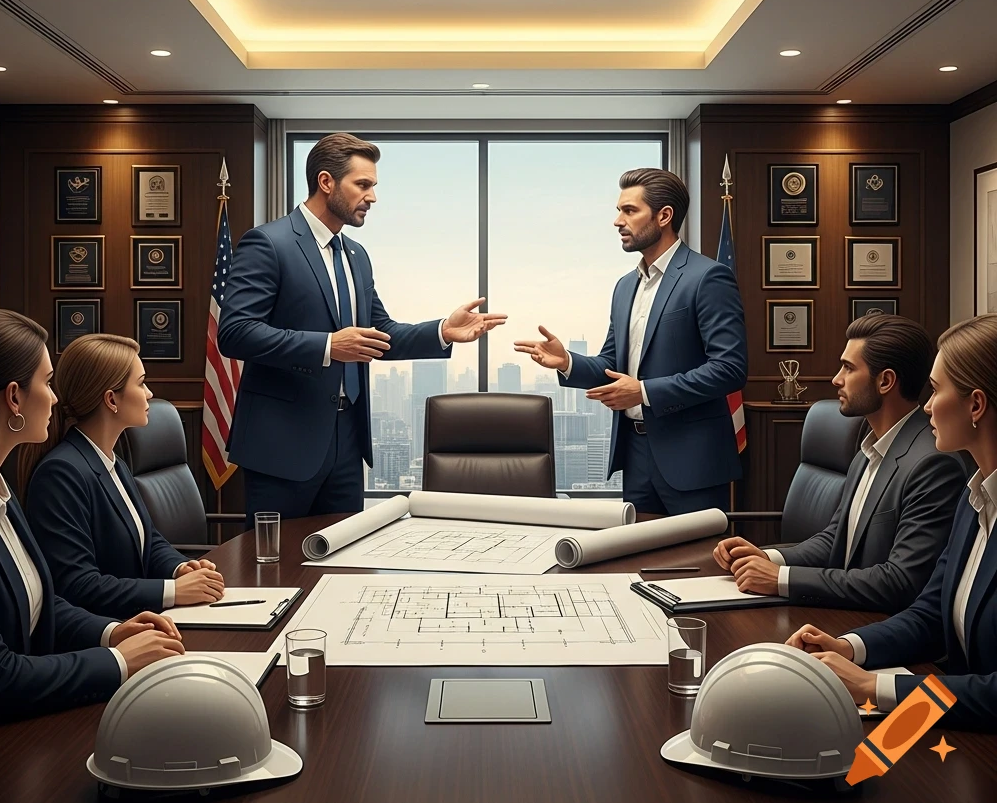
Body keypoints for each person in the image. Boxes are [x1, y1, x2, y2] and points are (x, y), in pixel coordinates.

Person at [218, 132, 507, 520]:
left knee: (343, 559)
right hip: (282, 446)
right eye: (363, 185)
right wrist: (327, 346)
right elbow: (235, 332)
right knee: (278, 568)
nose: (372, 196)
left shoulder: (355, 255)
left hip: (347, 443)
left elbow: (378, 332)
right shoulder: (269, 243)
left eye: (373, 185)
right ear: (326, 182)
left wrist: (443, 331)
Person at [784, 314, 997, 731]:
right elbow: (930, 615)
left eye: (936, 391)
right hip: (950, 720)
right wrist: (849, 647)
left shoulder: (948, 476)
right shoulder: (975, 500)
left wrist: (874, 687)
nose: (928, 405)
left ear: (976, 405)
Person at [0, 309, 184, 724]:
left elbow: (43, 603)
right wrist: (117, 661)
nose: (55, 397)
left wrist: (112, 632)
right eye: (46, 383)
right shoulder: (55, 473)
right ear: (14, 397)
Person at [515, 168, 746, 514]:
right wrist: (568, 362)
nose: (617, 221)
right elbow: (611, 364)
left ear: (664, 216)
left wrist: (644, 392)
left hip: (693, 460)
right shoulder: (625, 286)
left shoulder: (708, 277)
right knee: (638, 563)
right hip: (635, 456)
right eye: (618, 210)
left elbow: (729, 369)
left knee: (696, 566)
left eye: (629, 210)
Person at [713, 315, 965, 611]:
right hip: (840, 610)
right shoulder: (867, 449)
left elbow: (901, 582)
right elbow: (837, 537)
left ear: (885, 381)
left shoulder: (933, 464)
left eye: (848, 368)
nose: (836, 379)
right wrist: (766, 558)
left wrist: (782, 578)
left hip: (876, 626)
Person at [21, 334, 225, 620]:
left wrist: (180, 568)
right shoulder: (61, 474)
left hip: (144, 620)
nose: (150, 393)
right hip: (107, 634)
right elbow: (78, 585)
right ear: (111, 400)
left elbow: (149, 540)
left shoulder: (113, 461)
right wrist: (173, 591)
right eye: (141, 383)